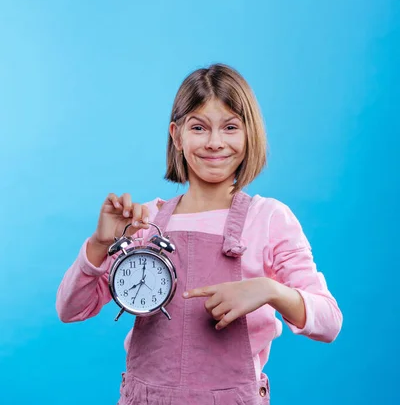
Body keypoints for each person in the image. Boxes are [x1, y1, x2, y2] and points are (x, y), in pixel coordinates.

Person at [56, 63, 343, 405]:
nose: (215, 142)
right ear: (177, 135)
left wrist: (269, 290)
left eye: (230, 127)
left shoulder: (268, 219)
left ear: (249, 134)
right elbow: (70, 310)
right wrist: (101, 244)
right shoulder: (144, 222)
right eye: (199, 127)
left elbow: (329, 322)